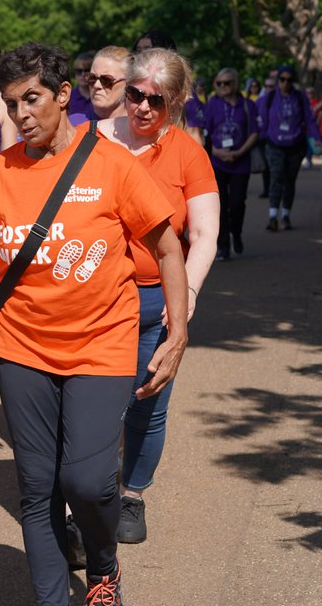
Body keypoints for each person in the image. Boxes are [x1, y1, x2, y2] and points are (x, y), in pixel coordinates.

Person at [0, 42, 188, 606]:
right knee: (37, 486)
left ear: (63, 96)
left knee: (87, 481)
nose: (21, 113)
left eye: (32, 99)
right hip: (23, 346)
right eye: (11, 103)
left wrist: (177, 333)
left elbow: (168, 250)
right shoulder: (0, 173)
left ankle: (102, 566)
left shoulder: (112, 163)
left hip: (102, 344)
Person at [97, 48, 218, 546]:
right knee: (92, 403)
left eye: (157, 100)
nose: (144, 107)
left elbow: (206, 233)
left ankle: (131, 495)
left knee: (148, 399)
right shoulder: (92, 141)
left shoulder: (188, 152)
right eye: (135, 95)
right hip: (94, 299)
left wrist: (183, 295)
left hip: (155, 303)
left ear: (178, 100)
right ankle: (80, 496)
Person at [204, 68, 258, 259]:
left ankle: (236, 232)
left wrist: (239, 152)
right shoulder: (213, 104)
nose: (223, 87)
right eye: (219, 83)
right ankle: (223, 245)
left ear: (235, 84)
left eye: (227, 83)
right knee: (219, 204)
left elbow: (254, 132)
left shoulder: (248, 105)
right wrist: (216, 152)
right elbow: (205, 134)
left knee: (236, 203)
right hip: (218, 163)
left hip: (240, 162)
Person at [259, 67, 319, 231]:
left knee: (289, 181)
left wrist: (317, 139)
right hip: (274, 145)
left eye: (289, 80)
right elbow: (260, 118)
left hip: (295, 146)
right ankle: (272, 217)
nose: (285, 83)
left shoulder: (300, 97)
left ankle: (285, 215)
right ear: (278, 80)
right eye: (282, 79)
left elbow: (309, 119)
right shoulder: (270, 97)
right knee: (276, 178)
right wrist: (260, 138)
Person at [87, 46, 131, 120]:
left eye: (106, 80)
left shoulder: (138, 127)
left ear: (128, 83)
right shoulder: (73, 124)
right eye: (92, 78)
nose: (96, 85)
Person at [67, 51, 96, 125]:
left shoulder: (100, 95)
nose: (83, 74)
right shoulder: (68, 98)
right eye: (79, 71)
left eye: (87, 70)